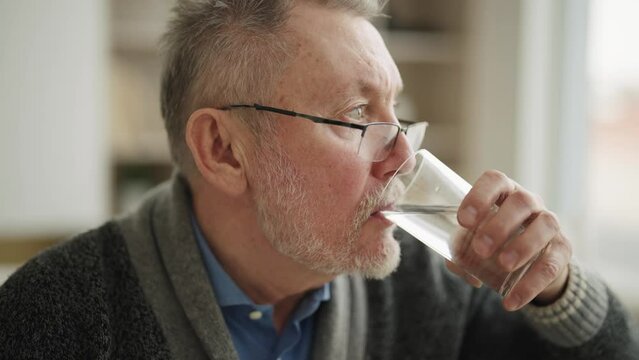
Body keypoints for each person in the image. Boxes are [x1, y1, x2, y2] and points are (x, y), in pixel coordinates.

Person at [1, 0, 637, 359]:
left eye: (398, 112)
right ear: (223, 150)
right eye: (357, 115)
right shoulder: (55, 316)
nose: (404, 159)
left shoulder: (428, 288)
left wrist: (556, 292)